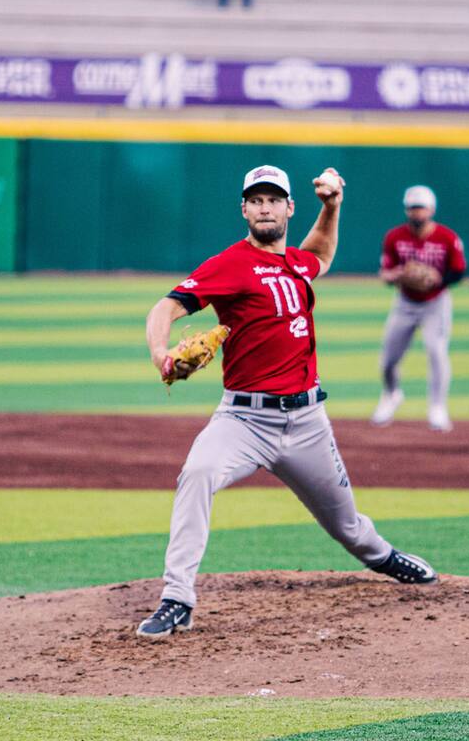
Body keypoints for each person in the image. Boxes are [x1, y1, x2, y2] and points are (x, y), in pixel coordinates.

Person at [136, 164, 440, 639]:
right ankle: (177, 597)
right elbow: (166, 306)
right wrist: (160, 351)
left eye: (273, 199)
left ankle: (383, 557)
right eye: (255, 200)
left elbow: (320, 252)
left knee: (348, 528)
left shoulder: (297, 263)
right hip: (242, 420)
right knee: (196, 474)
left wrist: (332, 206)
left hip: (307, 423)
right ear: (243, 208)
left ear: (288, 208)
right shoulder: (230, 264)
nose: (264, 207)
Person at [370, 185, 467, 432]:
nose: (417, 212)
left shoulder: (447, 237)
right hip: (405, 302)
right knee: (389, 359)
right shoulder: (394, 236)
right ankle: (391, 395)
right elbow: (385, 274)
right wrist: (398, 274)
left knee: (437, 352)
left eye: (421, 207)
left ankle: (437, 407)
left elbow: (458, 272)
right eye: (413, 208)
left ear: (431, 209)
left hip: (436, 302)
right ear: (407, 210)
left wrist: (439, 279)